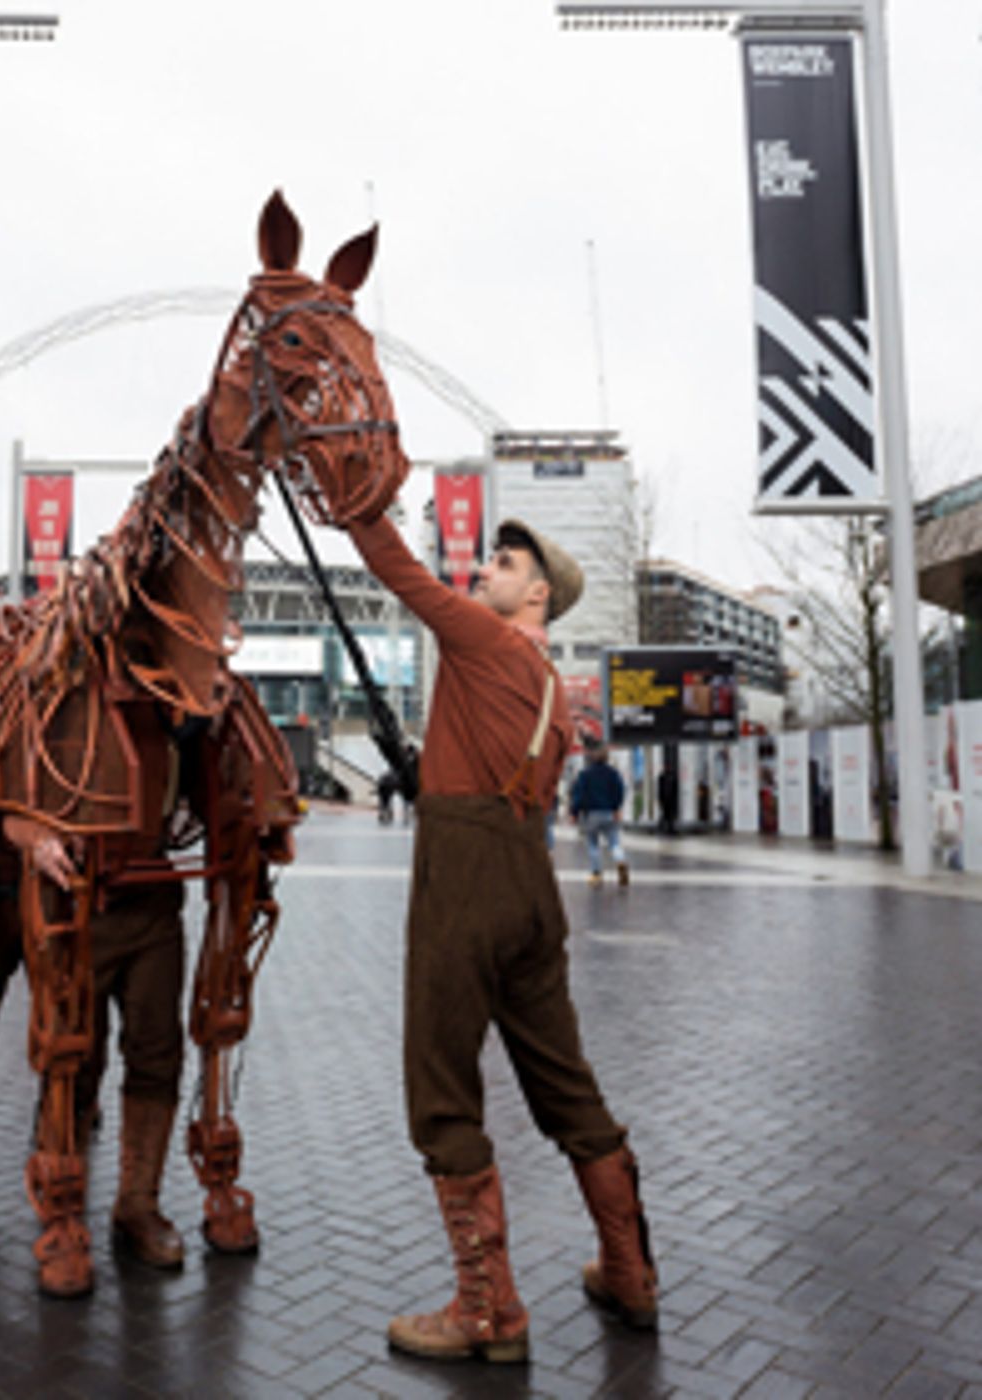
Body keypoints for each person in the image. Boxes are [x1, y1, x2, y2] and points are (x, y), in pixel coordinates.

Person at [346, 511, 658, 1364]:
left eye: (506, 561)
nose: (487, 568)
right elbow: (501, 772)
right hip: (530, 883)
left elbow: (393, 566)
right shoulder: (555, 689)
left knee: (441, 1082)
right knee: (565, 1082)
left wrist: (354, 503)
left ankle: (487, 1311)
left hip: (466, 877)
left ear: (538, 593)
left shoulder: (483, 638)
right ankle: (629, 1273)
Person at [0, 710, 192, 1274]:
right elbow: (1, 811)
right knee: (72, 1056)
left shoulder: (171, 704)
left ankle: (138, 1204)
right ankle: (63, 1210)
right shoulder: (53, 703)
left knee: (158, 1052)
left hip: (154, 902)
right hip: (73, 908)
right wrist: (35, 836)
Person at [570, 742, 629, 887]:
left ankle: (596, 874)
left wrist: (574, 812)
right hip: (609, 812)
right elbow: (620, 791)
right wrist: (616, 808)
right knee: (614, 842)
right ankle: (620, 860)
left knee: (593, 844)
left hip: (591, 814)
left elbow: (579, 795)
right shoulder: (613, 773)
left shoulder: (585, 774)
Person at [656, 764, 678, 836]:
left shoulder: (672, 777)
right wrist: (660, 799)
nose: (668, 768)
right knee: (665, 815)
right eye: (667, 767)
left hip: (670, 799)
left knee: (669, 815)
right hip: (664, 799)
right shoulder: (661, 777)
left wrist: (674, 799)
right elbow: (660, 789)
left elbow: (675, 789)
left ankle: (670, 829)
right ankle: (662, 828)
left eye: (669, 767)